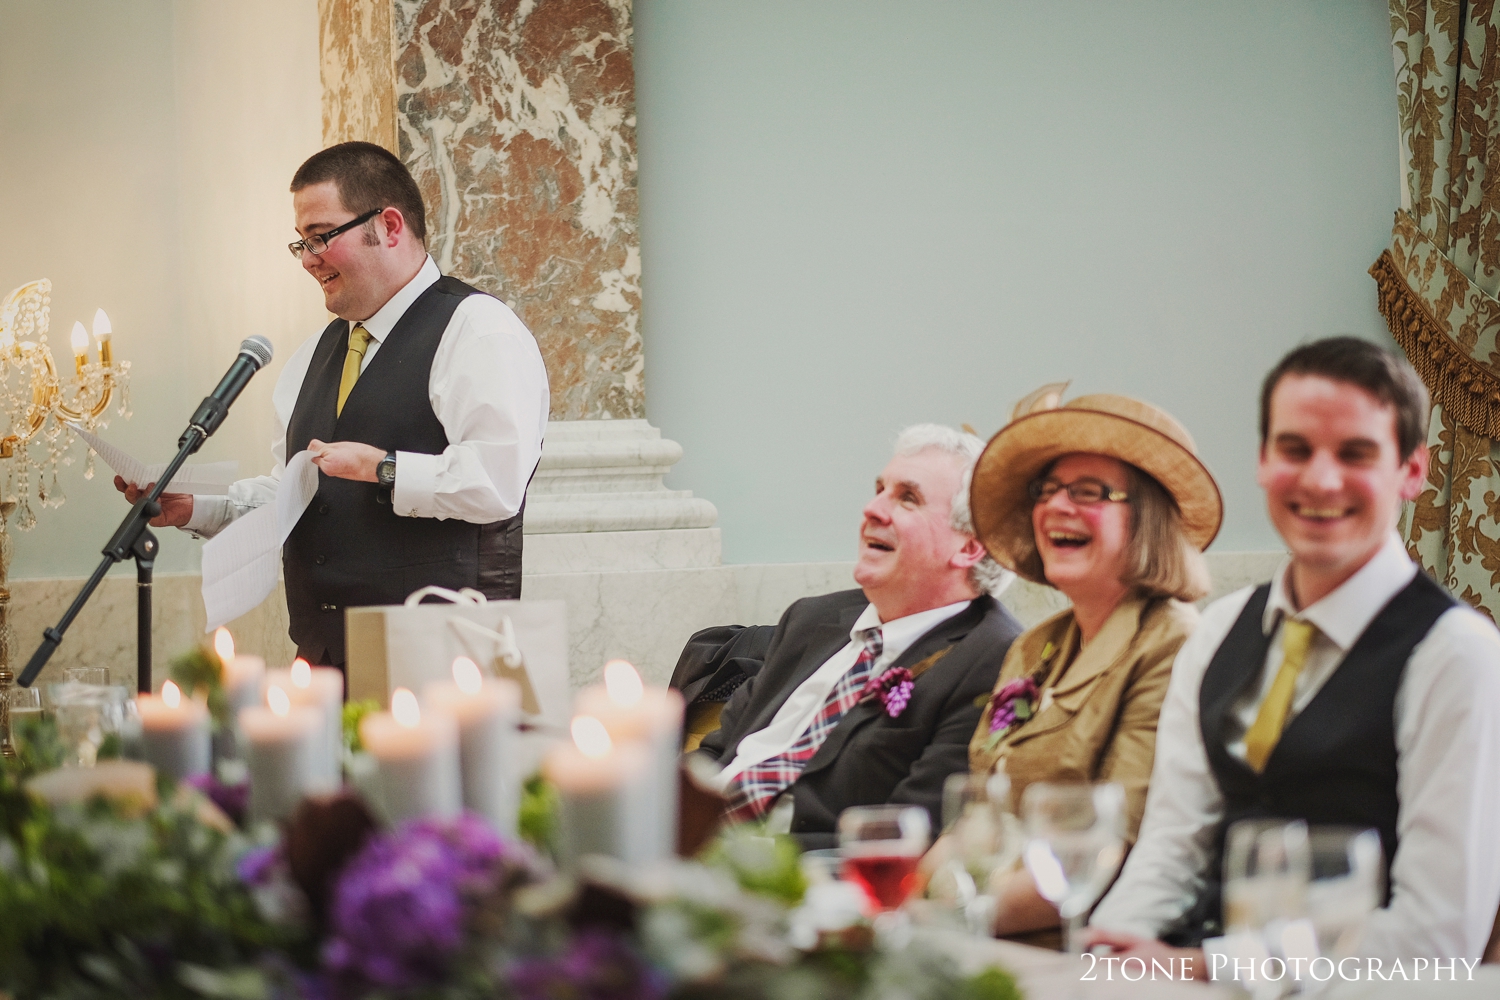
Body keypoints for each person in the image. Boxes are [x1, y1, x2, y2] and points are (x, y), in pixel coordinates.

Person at [1086, 338, 1500, 971]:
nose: (1320, 479)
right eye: (1295, 449)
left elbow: (1436, 941)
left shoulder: (1455, 654)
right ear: (1261, 459)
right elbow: (1173, 845)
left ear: (1412, 471)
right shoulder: (1219, 630)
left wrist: (1207, 968)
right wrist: (1104, 956)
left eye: (1356, 453)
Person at [117, 141, 549, 669]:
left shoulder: (478, 329)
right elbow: (297, 491)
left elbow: (496, 484)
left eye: (321, 237)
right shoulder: (312, 355)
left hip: (443, 657)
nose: (309, 260)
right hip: (322, 656)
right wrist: (198, 507)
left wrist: (383, 468)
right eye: (301, 243)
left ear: (389, 226)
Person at [947, 388, 1219, 943]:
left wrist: (945, 920)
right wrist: (898, 904)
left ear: (1147, 520)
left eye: (1088, 492)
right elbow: (976, 818)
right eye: (1045, 491)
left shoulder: (1172, 643)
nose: (1055, 506)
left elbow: (1110, 854)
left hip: (1085, 947)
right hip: (984, 932)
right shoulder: (1037, 644)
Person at [692, 424, 1025, 847]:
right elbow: (720, 751)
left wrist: (737, 859)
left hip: (790, 875)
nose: (873, 509)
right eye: (879, 489)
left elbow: (909, 836)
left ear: (970, 547)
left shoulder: (993, 659)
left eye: (908, 497)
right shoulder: (813, 619)